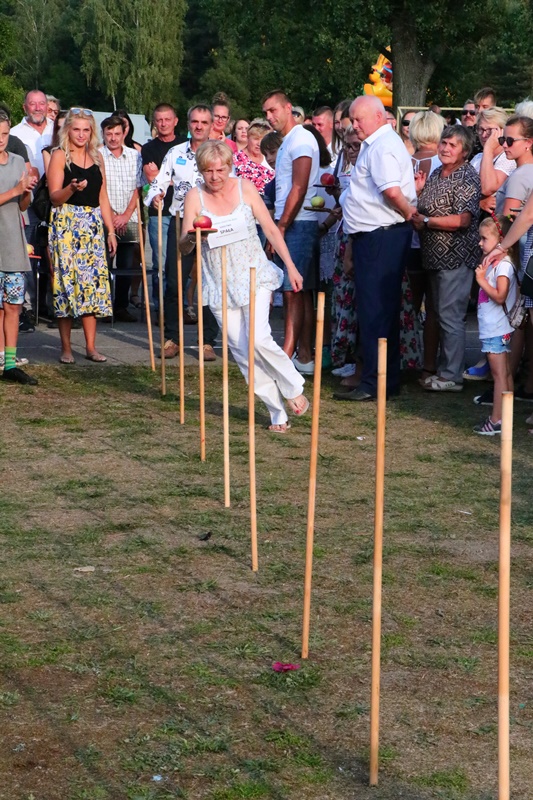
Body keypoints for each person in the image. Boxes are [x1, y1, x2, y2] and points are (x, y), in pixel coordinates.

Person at [180, 141, 309, 433]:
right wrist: (194, 236)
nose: (215, 176)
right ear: (201, 170)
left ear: (229, 167)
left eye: (220, 170)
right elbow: (184, 246)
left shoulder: (245, 188)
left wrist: (290, 266)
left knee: (259, 339)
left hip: (254, 275)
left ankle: (292, 387)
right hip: (219, 281)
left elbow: (271, 229)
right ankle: (277, 412)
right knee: (242, 352)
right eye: (208, 171)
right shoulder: (194, 197)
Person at [334, 95, 416, 401]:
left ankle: (374, 382)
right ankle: (382, 379)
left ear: (379, 117)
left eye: (359, 119)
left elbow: (391, 191)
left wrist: (409, 213)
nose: (354, 125)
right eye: (353, 119)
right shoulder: (375, 144)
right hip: (374, 234)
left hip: (382, 235)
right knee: (377, 311)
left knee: (375, 312)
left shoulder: (382, 146)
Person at [145, 104, 220, 360]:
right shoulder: (175, 152)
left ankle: (207, 341)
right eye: (195, 122)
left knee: (210, 282)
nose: (199, 126)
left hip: (211, 225)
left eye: (204, 122)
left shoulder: (219, 153)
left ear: (211, 125)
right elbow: (159, 182)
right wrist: (156, 195)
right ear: (188, 124)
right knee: (174, 280)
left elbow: (230, 185)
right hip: (181, 223)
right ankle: (172, 339)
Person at [413, 125, 481, 392]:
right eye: (443, 143)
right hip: (434, 257)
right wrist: (419, 193)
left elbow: (462, 220)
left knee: (451, 316)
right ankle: (444, 370)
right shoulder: (437, 172)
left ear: (465, 151)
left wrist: (427, 221)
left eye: (453, 145)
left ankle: (452, 375)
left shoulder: (466, 176)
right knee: (440, 314)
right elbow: (427, 209)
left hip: (455, 256)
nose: (445, 148)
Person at [48, 108, 116, 364]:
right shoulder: (59, 155)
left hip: (92, 226)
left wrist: (110, 230)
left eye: (86, 130)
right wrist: (71, 188)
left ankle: (90, 347)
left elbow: (103, 197)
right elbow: (55, 197)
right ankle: (66, 348)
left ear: (91, 132)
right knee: (66, 285)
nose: (81, 134)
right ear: (68, 131)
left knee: (92, 286)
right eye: (76, 129)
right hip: (66, 224)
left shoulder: (97, 156)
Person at [261, 90, 320, 374]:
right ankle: (302, 354)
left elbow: (300, 185)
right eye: (265, 113)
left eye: (273, 110)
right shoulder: (287, 142)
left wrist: (281, 226)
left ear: (288, 108)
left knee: (292, 289)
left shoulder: (302, 139)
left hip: (299, 221)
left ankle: (288, 352)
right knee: (298, 290)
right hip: (290, 220)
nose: (269, 117)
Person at [0, 113, 38, 384]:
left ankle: (11, 364)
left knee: (13, 306)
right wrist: (15, 190)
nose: (0, 140)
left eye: (4, 134)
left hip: (13, 242)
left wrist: (26, 191)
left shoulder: (16, 161)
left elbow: (24, 205)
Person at [408, 110, 444, 383]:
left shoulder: (404, 161)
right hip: (434, 240)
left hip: (406, 240)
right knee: (432, 307)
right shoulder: (442, 163)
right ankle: (429, 365)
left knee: (407, 304)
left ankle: (405, 358)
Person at [473, 215, 518, 434]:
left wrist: (481, 280)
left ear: (501, 240)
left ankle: (497, 419)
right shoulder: (496, 263)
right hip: (496, 327)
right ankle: (506, 415)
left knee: (499, 374)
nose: (480, 243)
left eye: (484, 238)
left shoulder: (504, 266)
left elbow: (500, 296)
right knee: (504, 372)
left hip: (497, 328)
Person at [100, 114, 144, 322]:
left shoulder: (135, 155)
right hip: (105, 217)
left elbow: (138, 188)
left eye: (117, 133)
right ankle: (104, 306)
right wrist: (111, 215)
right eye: (109, 134)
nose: (113, 138)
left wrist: (126, 215)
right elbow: (100, 188)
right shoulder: (97, 155)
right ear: (103, 134)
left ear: (124, 133)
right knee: (104, 263)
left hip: (130, 217)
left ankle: (121, 306)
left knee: (127, 265)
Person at [141, 103, 182, 308]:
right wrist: (176, 178)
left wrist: (164, 177)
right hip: (159, 212)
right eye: (159, 120)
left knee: (182, 263)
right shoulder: (148, 148)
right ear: (154, 123)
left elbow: (191, 179)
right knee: (161, 264)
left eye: (167, 119)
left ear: (175, 121)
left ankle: (181, 305)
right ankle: (161, 307)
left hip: (183, 211)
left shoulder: (184, 145)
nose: (163, 123)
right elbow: (152, 179)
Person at [472, 108, 515, 214]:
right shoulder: (477, 158)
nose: (483, 135)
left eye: (490, 130)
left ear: (502, 131)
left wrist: (488, 149)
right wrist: (478, 202)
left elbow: (487, 188)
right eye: (481, 129)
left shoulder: (508, 158)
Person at [494, 116, 533, 216]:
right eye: (503, 140)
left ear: (528, 142)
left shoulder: (520, 176)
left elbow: (508, 217)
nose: (504, 145)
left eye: (510, 141)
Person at [232, 121, 274, 195]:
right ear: (248, 138)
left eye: (262, 139)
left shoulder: (272, 159)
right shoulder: (235, 159)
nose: (259, 144)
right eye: (256, 139)